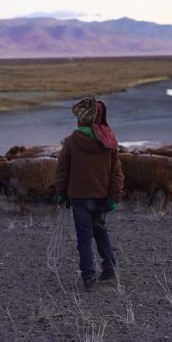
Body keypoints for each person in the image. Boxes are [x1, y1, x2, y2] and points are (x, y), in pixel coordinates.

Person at [56, 97, 124, 291]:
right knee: (101, 232)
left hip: (79, 197)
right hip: (102, 196)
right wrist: (114, 196)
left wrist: (61, 194)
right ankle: (109, 270)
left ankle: (88, 277)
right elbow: (116, 172)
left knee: (84, 237)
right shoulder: (109, 141)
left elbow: (62, 170)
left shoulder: (71, 141)